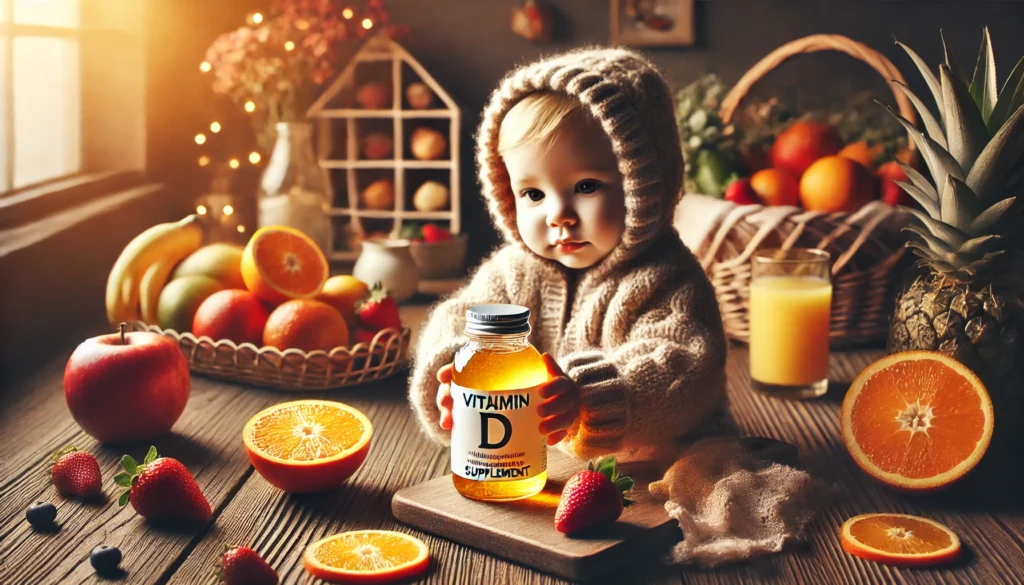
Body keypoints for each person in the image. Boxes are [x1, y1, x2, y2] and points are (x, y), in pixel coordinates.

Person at [408, 47, 727, 463]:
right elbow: (461, 317)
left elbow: (682, 367)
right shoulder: (513, 271)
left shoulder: (667, 278)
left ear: (646, 182)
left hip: (657, 470)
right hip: (533, 466)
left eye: (587, 186)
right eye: (533, 194)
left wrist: (590, 399)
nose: (558, 215)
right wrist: (453, 373)